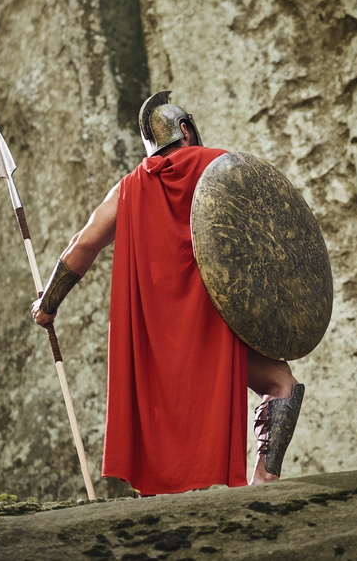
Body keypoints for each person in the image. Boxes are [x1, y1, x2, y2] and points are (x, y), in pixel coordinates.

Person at [31, 91, 304, 495]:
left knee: (156, 415)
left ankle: (157, 495)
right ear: (185, 129)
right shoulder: (224, 166)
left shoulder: (128, 189)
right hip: (217, 332)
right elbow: (274, 235)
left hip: (157, 345)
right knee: (282, 384)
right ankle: (264, 481)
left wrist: (48, 304)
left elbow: (82, 244)